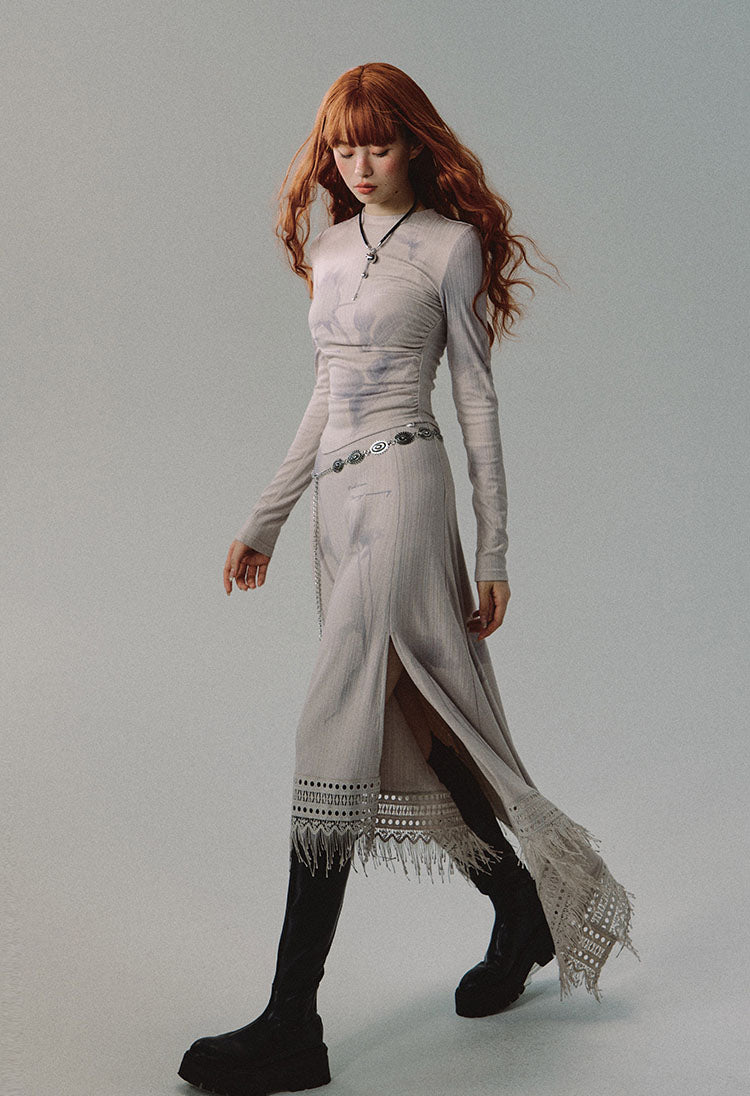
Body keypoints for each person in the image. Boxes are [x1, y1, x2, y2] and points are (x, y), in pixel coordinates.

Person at [178, 62, 636, 1096]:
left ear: (415, 145)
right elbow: (324, 396)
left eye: (378, 145)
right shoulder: (330, 248)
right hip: (336, 508)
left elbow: (476, 398)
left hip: (406, 487)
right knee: (410, 726)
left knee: (330, 724)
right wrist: (265, 517)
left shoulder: (449, 244)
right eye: (344, 148)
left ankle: (292, 1021)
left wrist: (496, 547)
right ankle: (519, 908)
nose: (359, 163)